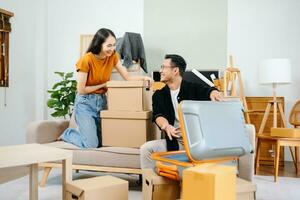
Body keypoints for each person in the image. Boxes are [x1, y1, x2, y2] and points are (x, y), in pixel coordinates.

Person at [60, 28, 151, 148]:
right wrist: (104, 85)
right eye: (109, 45)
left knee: (106, 141)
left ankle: (84, 133)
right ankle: (68, 134)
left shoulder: (112, 56)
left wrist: (144, 78)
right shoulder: (86, 59)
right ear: (99, 44)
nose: (112, 49)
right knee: (91, 145)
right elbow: (81, 90)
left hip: (102, 103)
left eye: (114, 45)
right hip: (85, 104)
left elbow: (127, 77)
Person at [140, 54, 223, 169]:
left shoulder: (192, 88)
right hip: (176, 142)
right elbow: (158, 115)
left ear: (175, 70)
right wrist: (166, 126)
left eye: (163, 67)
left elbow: (208, 91)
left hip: (198, 142)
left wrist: (214, 93)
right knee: (146, 149)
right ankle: (152, 185)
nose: (160, 71)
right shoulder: (159, 95)